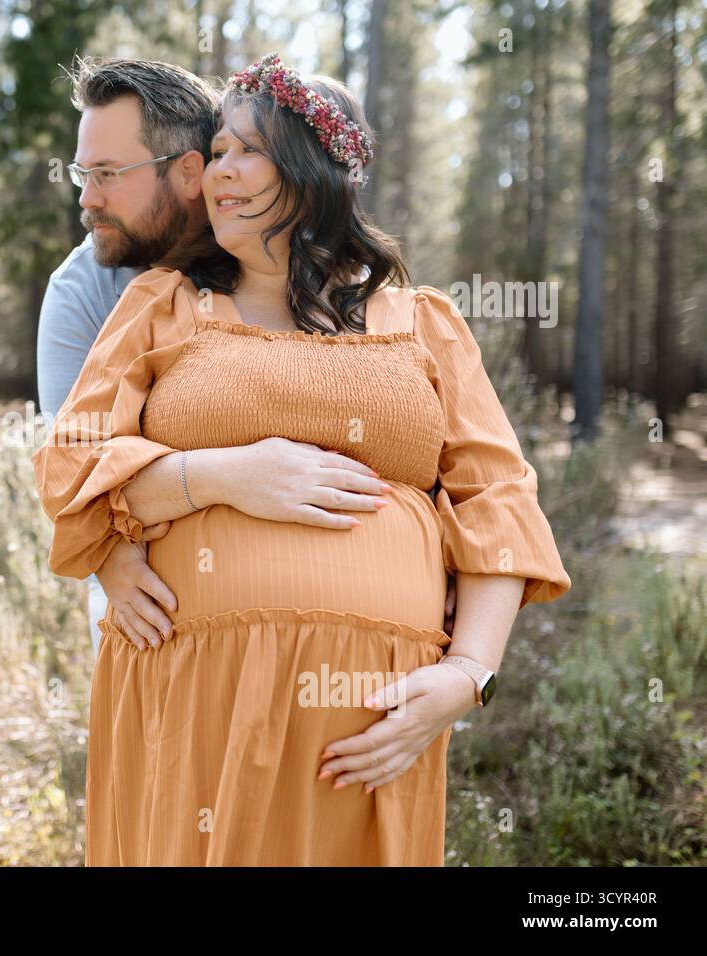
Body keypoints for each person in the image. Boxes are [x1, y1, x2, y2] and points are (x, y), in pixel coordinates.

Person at [31, 52, 571, 865]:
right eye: (216, 153)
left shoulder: (422, 322)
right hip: (194, 698)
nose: (223, 172)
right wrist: (227, 478)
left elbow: (495, 497)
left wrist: (466, 678)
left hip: (372, 725)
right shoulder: (161, 304)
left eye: (249, 150)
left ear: (318, 168)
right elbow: (73, 461)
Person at [35, 57, 450, 659]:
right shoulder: (91, 289)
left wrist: (435, 556)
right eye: (81, 173)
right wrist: (113, 558)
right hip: (162, 613)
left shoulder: (319, 271)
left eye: (106, 172)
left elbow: (415, 438)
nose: (86, 199)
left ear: (186, 170)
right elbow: (78, 466)